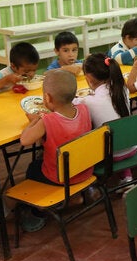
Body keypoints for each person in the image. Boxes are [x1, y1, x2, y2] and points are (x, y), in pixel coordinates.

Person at [19, 70, 93, 232]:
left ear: (47, 98)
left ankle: (37, 210)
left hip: (60, 177)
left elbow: (24, 140)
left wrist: (35, 120)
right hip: (85, 171)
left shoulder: (47, 121)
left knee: (33, 168)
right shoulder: (84, 109)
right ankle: (76, 195)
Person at [77, 53, 137, 185]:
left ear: (88, 78)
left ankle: (88, 185)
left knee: (84, 137)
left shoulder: (88, 101)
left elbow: (69, 103)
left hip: (111, 154)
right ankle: (126, 176)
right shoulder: (122, 89)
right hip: (133, 146)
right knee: (116, 130)